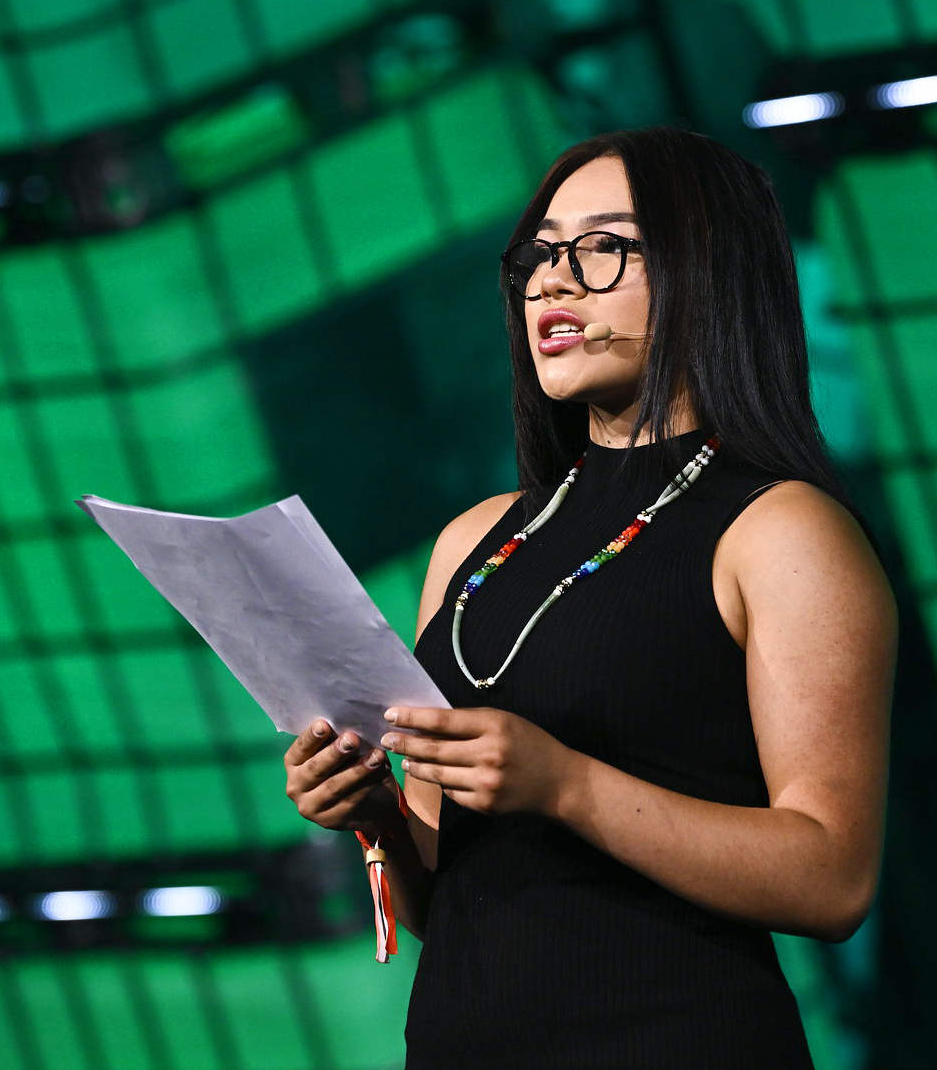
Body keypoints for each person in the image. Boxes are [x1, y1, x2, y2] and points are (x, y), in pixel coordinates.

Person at [283, 126, 896, 1068]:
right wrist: (372, 812)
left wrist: (567, 786)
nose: (552, 283)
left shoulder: (781, 530)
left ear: (706, 271)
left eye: (602, 248)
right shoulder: (472, 542)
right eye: (537, 255)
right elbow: (446, 898)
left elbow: (832, 876)